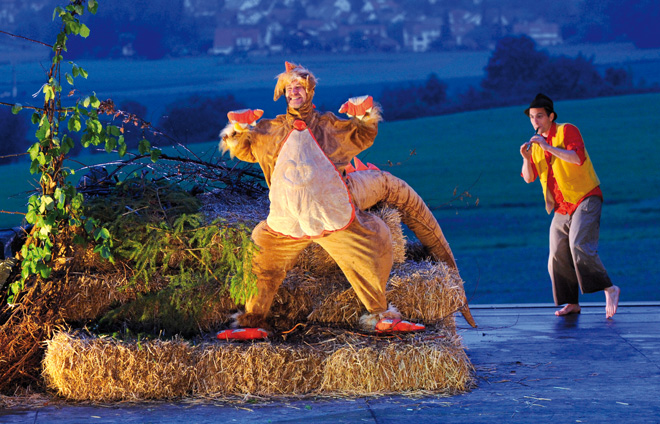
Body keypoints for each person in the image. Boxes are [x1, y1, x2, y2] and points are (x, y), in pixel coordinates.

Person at [218, 62, 475, 339]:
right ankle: (252, 321)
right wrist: (238, 130)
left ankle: (380, 314)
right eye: (289, 88)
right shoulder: (270, 130)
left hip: (336, 218)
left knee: (374, 241)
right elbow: (245, 149)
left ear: (310, 91)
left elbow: (363, 135)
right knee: (260, 261)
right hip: (285, 224)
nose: (294, 93)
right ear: (283, 93)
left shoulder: (329, 126)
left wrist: (364, 115)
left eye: (300, 88)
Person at [519, 93, 620, 318]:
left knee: (579, 245)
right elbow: (528, 178)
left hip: (585, 197)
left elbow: (576, 158)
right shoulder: (535, 145)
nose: (535, 121)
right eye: (532, 117)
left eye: (540, 116)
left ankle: (610, 289)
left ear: (551, 116)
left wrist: (547, 147)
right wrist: (526, 158)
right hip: (561, 207)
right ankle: (571, 303)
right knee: (556, 253)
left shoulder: (567, 130)